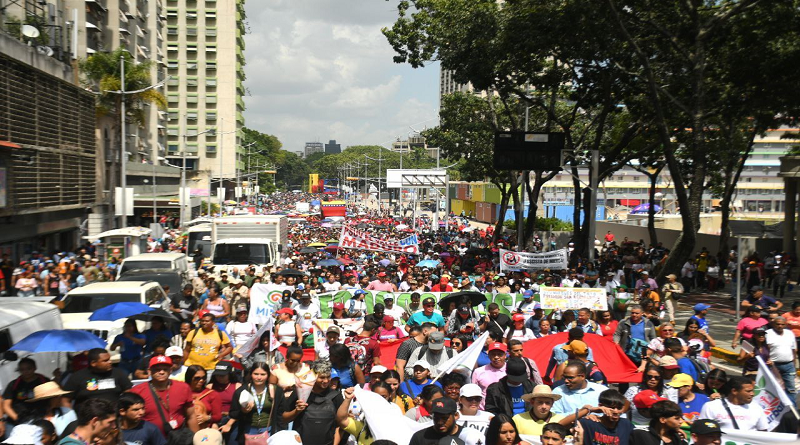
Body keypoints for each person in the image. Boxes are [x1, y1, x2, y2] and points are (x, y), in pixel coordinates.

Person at [282, 360, 344, 445]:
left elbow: (341, 425)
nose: (326, 381)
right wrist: (297, 411)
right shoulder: (300, 393)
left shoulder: (336, 396)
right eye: (322, 377)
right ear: (313, 376)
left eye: (328, 377)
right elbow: (284, 418)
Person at [129, 355, 195, 436]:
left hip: (177, 438)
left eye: (165, 369)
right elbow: (129, 419)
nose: (161, 372)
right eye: (157, 369)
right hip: (149, 438)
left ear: (170, 370)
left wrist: (195, 439)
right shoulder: (137, 391)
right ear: (149, 371)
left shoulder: (183, 387)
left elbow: (191, 416)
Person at [63, 348, 132, 406]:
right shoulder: (77, 377)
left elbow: (129, 393)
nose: (110, 362)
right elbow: (65, 400)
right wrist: (71, 417)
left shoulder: (118, 373)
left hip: (113, 417)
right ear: (93, 363)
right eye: (105, 360)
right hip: (87, 419)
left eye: (109, 359)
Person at [699, 376, 769, 430]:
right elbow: (702, 430)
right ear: (734, 391)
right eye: (748, 391)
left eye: (752, 391)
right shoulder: (711, 407)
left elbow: (763, 433)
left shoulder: (756, 408)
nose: (752, 394)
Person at [228, 363, 276, 444]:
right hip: (249, 430)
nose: (259, 377)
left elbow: (280, 412)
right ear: (251, 374)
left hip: (269, 429)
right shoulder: (242, 391)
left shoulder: (275, 390)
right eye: (256, 374)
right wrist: (243, 411)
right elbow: (233, 413)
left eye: (263, 374)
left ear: (268, 375)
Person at [408, 396, 484, 445]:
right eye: (436, 418)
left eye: (445, 418)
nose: (440, 422)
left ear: (456, 416)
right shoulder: (420, 437)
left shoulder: (469, 436)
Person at [2, 357, 50, 425]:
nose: (26, 372)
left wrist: (48, 413)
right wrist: (17, 419)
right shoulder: (13, 384)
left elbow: (55, 398)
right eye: (22, 369)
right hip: (17, 421)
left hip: (40, 418)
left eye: (29, 368)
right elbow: (6, 405)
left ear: (35, 368)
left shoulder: (44, 381)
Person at [765, 316, 797, 403]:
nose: (780, 326)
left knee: (791, 389)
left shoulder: (790, 333)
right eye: (778, 324)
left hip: (789, 365)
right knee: (773, 388)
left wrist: (794, 364)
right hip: (773, 366)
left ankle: (791, 409)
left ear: (785, 325)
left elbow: (793, 350)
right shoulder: (767, 334)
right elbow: (765, 350)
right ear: (773, 324)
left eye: (782, 324)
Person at [184, 365, 222, 430]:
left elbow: (218, 416)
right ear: (189, 378)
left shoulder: (212, 394)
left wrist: (207, 418)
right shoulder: (182, 393)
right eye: (197, 378)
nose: (201, 380)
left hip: (204, 431)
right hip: (185, 431)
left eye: (204, 378)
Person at [472, 342, 508, 408]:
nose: (496, 357)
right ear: (488, 355)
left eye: (499, 354)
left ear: (505, 355)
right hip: (484, 410)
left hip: (505, 409)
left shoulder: (510, 371)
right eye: (493, 354)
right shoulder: (478, 372)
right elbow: (473, 392)